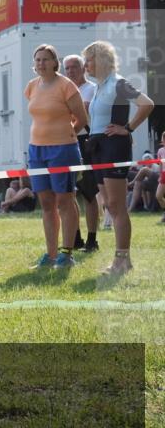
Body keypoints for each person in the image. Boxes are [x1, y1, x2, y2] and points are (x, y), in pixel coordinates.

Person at [82, 40, 155, 274]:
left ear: (101, 59)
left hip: (114, 147)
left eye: (89, 60)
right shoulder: (99, 86)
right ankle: (123, 260)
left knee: (116, 205)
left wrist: (128, 128)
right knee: (110, 207)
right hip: (98, 148)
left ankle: (122, 261)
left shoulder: (118, 83)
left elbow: (147, 103)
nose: (86, 65)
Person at [24, 44, 88, 269]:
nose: (41, 63)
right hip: (36, 150)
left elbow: (81, 118)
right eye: (37, 59)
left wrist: (68, 134)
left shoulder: (66, 86)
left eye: (45, 59)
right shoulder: (32, 86)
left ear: (54, 62)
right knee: (46, 202)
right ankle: (50, 255)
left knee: (64, 200)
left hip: (63, 149)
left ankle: (66, 253)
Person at [63, 53, 100, 252]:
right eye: (66, 68)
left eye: (74, 67)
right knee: (69, 193)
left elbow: (81, 116)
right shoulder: (64, 90)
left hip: (84, 142)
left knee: (88, 193)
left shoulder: (90, 90)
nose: (70, 71)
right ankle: (75, 237)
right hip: (66, 142)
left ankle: (92, 239)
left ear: (83, 68)